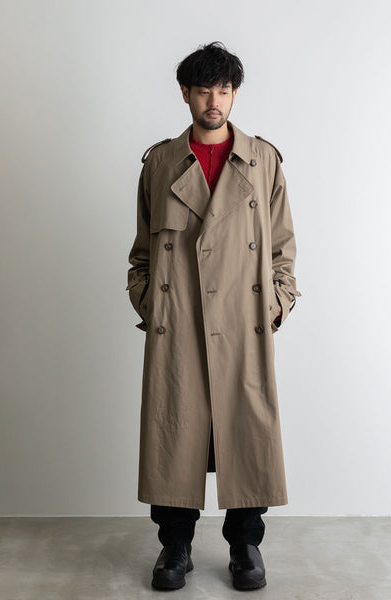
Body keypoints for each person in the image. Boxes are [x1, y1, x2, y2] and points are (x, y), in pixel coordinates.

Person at [126, 41, 301, 591]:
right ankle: (175, 545)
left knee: (247, 433)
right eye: (203, 90)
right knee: (173, 430)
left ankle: (245, 545)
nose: (214, 101)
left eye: (224, 90)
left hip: (242, 322)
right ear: (185, 93)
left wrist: (275, 303)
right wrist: (151, 301)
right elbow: (142, 253)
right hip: (178, 322)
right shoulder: (161, 163)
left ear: (235, 93)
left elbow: (282, 249)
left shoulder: (263, 161)